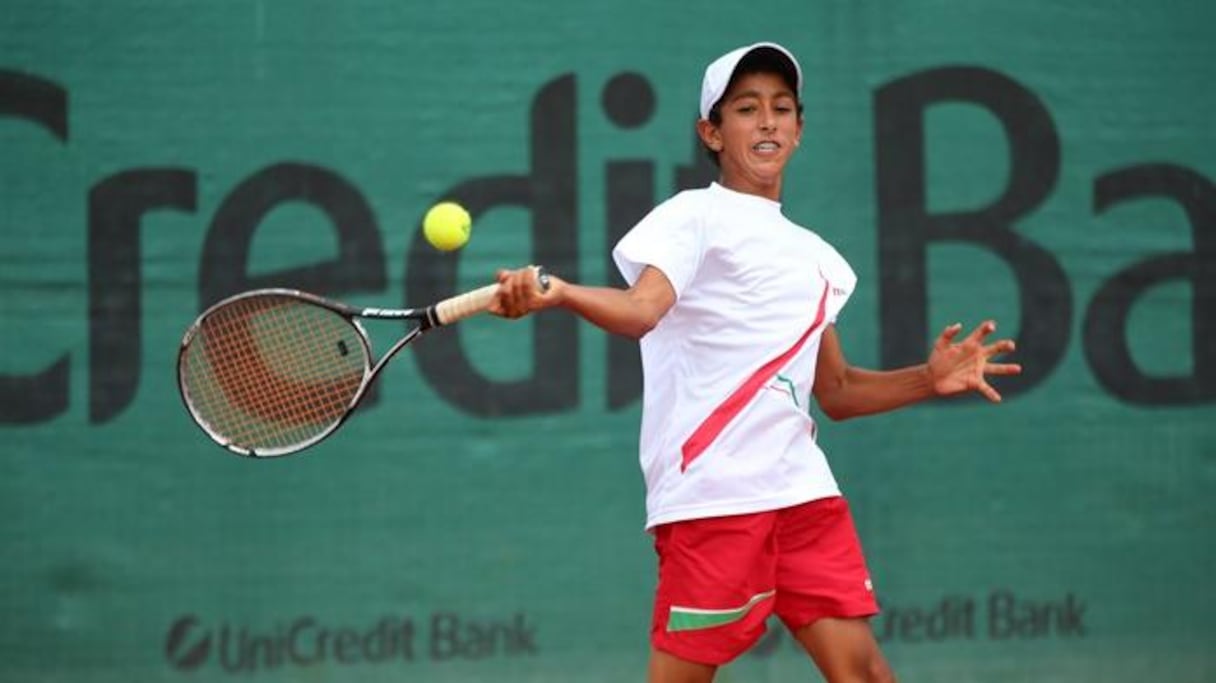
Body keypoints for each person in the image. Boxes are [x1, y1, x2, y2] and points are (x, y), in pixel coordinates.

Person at [490, 41, 1021, 683]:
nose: (766, 121)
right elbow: (641, 309)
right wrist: (563, 292)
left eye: (781, 108)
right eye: (745, 109)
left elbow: (840, 390)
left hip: (803, 495)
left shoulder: (819, 259)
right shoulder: (693, 217)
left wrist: (928, 380)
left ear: (799, 129)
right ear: (711, 133)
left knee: (864, 673)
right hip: (713, 502)